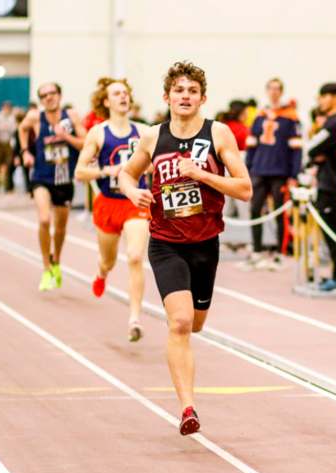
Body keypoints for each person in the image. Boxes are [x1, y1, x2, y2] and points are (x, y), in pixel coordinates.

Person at [119, 61, 252, 435]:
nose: (185, 96)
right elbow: (126, 173)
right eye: (179, 90)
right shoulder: (152, 137)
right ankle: (188, 408)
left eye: (192, 91)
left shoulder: (219, 134)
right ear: (167, 97)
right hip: (166, 243)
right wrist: (134, 192)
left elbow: (244, 188)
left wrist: (202, 174)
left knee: (195, 324)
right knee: (178, 323)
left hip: (205, 244)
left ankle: (187, 390)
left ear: (202, 98)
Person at [74, 77, 151, 341]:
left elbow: (156, 162)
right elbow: (80, 171)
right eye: (116, 93)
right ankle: (101, 272)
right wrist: (105, 170)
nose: (123, 97)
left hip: (134, 202)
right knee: (108, 259)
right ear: (106, 101)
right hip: (107, 203)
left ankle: (134, 319)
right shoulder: (98, 132)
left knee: (135, 257)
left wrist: (143, 168)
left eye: (126, 93)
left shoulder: (142, 131)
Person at [18, 82, 85, 291]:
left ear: (59, 95)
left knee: (61, 228)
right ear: (41, 100)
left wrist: (65, 136)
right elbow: (22, 128)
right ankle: (46, 269)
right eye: (44, 95)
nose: (48, 97)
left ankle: (56, 259)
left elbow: (85, 142)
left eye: (52, 93)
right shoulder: (35, 117)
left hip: (64, 179)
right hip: (41, 177)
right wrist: (25, 152)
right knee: (45, 219)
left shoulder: (72, 115)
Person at [244, 78, 302, 270]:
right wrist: (248, 168)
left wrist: (294, 174)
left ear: (282, 91)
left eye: (277, 89)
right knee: (255, 210)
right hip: (259, 170)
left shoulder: (290, 117)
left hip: (280, 171)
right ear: (267, 91)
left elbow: (296, 148)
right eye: (271, 88)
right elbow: (251, 144)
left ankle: (279, 252)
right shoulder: (260, 116)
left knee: (279, 213)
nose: (274, 92)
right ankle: (257, 251)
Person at [306, 82, 336, 291]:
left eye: (324, 97)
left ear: (335, 97)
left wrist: (319, 155)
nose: (320, 101)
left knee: (335, 232)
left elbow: (311, 148)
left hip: (332, 185)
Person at [0, 101, 17, 192]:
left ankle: (7, 186)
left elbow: (13, 129)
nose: (7, 109)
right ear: (2, 108)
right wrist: (3, 128)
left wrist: (5, 128)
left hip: (8, 143)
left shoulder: (12, 117)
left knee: (8, 165)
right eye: (5, 107)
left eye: (8, 107)